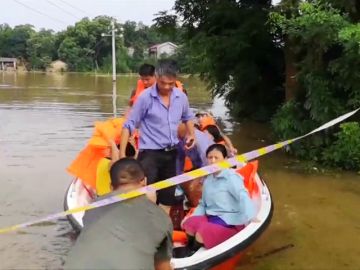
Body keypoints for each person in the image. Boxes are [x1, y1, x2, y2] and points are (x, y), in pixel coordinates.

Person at [64, 158, 173, 270]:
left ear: (111, 186)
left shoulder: (93, 206)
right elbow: (163, 267)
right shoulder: (161, 218)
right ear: (144, 181)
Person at [120, 60, 196, 213]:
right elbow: (129, 125)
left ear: (176, 79)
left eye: (171, 83)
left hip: (172, 154)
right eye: (163, 83)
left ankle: (162, 232)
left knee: (167, 198)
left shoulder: (181, 97)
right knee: (145, 195)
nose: (167, 87)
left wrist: (192, 134)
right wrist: (122, 155)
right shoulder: (145, 98)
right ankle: (144, 229)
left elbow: (188, 117)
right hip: (150, 155)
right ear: (157, 76)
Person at [180, 144, 256, 255]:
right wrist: (192, 216)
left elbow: (242, 196)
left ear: (225, 159)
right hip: (212, 217)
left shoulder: (231, 177)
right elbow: (202, 204)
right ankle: (190, 249)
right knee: (190, 224)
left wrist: (251, 216)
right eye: (210, 158)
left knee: (203, 232)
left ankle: (192, 252)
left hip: (230, 222)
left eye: (216, 158)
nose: (213, 161)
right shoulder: (209, 180)